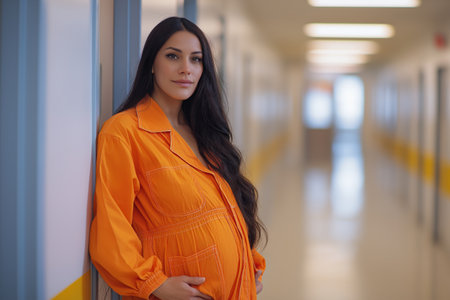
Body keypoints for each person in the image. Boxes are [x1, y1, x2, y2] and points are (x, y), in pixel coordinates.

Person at [89, 16, 266, 300]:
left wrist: (248, 262)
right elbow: (112, 227)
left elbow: (221, 210)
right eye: (173, 56)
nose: (186, 69)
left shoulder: (205, 134)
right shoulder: (124, 132)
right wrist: (155, 284)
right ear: (151, 63)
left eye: (196, 60)